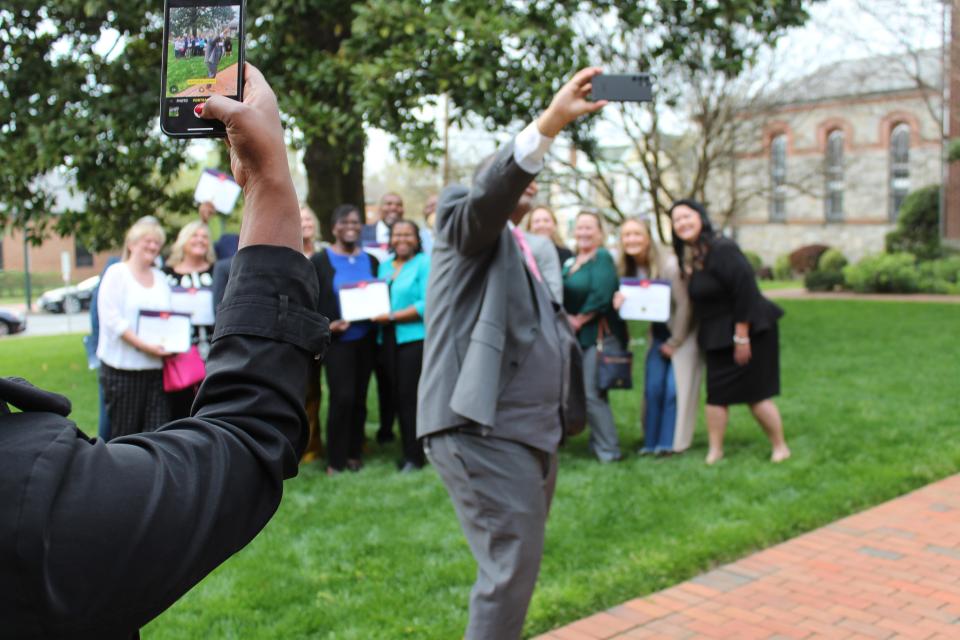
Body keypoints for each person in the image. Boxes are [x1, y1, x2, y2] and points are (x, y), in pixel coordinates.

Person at [0, 64, 330, 637]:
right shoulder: (32, 508)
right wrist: (268, 179)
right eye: (149, 240)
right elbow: (246, 436)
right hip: (131, 366)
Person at [418, 67, 603, 640]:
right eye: (518, 174)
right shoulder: (461, 222)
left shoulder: (525, 245)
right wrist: (548, 126)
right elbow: (486, 198)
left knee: (516, 567)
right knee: (511, 564)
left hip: (530, 433)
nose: (531, 181)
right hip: (478, 426)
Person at [669, 199, 791, 464]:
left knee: (756, 396)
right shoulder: (695, 256)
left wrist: (742, 335)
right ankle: (715, 451)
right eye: (676, 220)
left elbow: (745, 290)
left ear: (701, 217)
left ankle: (780, 447)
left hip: (750, 330)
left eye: (686, 216)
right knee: (716, 396)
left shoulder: (722, 248)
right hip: (715, 336)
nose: (682, 223)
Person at [613, 217, 701, 455]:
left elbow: (685, 306)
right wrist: (619, 301)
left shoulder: (670, 265)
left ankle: (669, 443)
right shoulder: (627, 267)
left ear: (648, 237)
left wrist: (675, 342)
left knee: (674, 389)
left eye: (637, 234)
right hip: (659, 333)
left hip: (682, 333)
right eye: (627, 235)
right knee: (653, 388)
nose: (632, 239)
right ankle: (650, 443)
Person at [311, 204, 379, 475]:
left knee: (360, 398)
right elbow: (311, 301)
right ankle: (335, 460)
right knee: (342, 397)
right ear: (334, 227)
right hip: (338, 341)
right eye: (344, 222)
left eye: (355, 222)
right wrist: (328, 324)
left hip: (366, 339)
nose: (351, 226)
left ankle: (354, 452)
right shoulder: (320, 261)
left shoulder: (371, 260)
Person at [96, 216, 173, 438]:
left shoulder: (160, 278)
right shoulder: (117, 273)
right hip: (123, 371)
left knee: (157, 434)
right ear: (131, 244)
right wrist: (145, 345)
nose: (152, 246)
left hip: (156, 370)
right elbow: (113, 321)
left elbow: (168, 318)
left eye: (157, 242)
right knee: (126, 436)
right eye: (147, 241)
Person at [562, 210, 626, 463]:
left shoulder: (601, 258)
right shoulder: (572, 261)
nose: (584, 233)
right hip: (577, 336)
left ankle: (610, 451)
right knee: (591, 391)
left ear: (600, 232)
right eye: (580, 228)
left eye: (589, 228)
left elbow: (603, 293)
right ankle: (597, 442)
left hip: (596, 334)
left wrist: (578, 320)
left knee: (592, 394)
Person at [371, 220, 430, 471]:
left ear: (417, 239)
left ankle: (415, 457)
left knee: (409, 398)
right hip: (386, 340)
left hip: (413, 340)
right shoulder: (384, 266)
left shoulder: (424, 264)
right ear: (391, 239)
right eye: (397, 234)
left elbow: (427, 303)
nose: (402, 239)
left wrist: (393, 317)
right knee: (394, 396)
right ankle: (406, 447)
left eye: (408, 234)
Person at [162, 221, 217, 419]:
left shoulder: (217, 271)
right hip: (179, 351)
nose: (200, 240)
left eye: (204, 237)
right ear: (183, 240)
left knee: (212, 402)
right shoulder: (167, 274)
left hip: (213, 347)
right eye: (195, 236)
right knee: (181, 405)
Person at [362, 193, 403, 443]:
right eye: (388, 203)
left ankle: (401, 429)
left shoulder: (407, 235)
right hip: (369, 321)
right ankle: (384, 430)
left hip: (400, 322)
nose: (393, 208)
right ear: (380, 208)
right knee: (380, 382)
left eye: (397, 204)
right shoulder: (363, 234)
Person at [300, 203, 325, 463]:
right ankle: (303, 444)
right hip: (299, 332)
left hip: (327, 328)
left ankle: (316, 443)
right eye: (300, 219)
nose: (306, 223)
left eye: (309, 219)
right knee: (303, 391)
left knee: (317, 391)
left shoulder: (326, 252)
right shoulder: (286, 252)